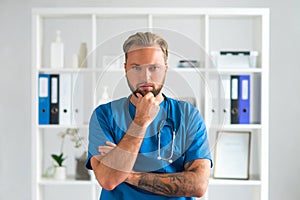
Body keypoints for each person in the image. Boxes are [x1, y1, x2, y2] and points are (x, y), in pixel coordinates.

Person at [86, 32, 212, 200]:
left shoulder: (188, 115)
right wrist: (140, 121)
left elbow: (198, 185)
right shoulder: (105, 115)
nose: (145, 77)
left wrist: (128, 174)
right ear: (125, 69)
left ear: (166, 67)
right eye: (136, 68)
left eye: (154, 68)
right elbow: (108, 180)